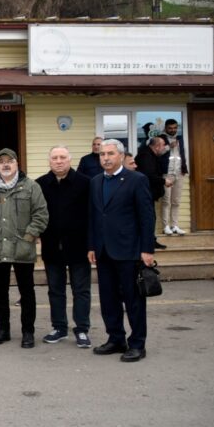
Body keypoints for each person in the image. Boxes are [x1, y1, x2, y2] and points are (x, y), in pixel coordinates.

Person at [0, 148, 49, 349]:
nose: (6, 164)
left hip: (22, 248)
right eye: (1, 161)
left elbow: (41, 214)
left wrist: (29, 237)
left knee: (27, 292)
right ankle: (3, 330)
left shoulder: (31, 187)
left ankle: (28, 332)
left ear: (17, 163)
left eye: (10, 161)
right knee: (0, 292)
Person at [88, 139, 155, 362]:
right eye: (102, 154)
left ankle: (137, 344)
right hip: (103, 251)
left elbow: (147, 216)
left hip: (129, 251)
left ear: (121, 156)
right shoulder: (96, 181)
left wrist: (147, 249)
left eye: (110, 154)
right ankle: (116, 339)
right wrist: (91, 245)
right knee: (108, 299)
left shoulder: (137, 180)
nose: (105, 158)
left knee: (133, 300)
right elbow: (94, 216)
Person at [36, 146, 92, 348]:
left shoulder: (85, 183)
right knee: (55, 290)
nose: (58, 161)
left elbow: (92, 215)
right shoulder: (40, 184)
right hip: (51, 246)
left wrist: (92, 245)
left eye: (62, 157)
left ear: (70, 159)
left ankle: (82, 329)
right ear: (49, 161)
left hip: (79, 246)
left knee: (81, 290)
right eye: (54, 158)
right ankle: (59, 327)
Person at [135, 135, 170, 250]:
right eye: (163, 145)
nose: (164, 148)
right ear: (157, 146)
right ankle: (148, 243)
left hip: (149, 193)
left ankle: (151, 241)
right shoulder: (146, 156)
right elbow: (148, 175)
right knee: (148, 219)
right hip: (144, 193)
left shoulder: (152, 155)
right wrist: (164, 181)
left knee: (150, 218)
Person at [159, 119, 188, 235]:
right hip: (167, 174)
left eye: (175, 128)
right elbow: (157, 153)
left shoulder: (180, 138)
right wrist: (168, 147)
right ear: (166, 128)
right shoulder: (161, 138)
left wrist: (184, 168)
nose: (173, 130)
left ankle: (175, 226)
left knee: (176, 202)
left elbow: (183, 154)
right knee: (166, 202)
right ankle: (165, 227)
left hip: (179, 173)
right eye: (170, 128)